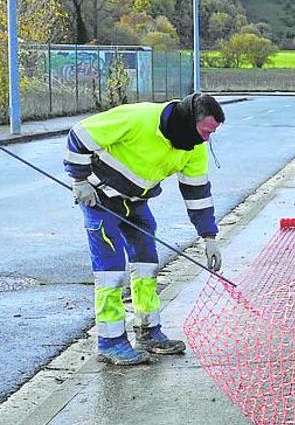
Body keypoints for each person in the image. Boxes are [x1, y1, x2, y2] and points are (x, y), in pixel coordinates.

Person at [63, 93, 225, 366]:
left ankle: (148, 331)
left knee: (147, 264)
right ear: (189, 121)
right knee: (111, 271)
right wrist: (79, 180)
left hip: (135, 203)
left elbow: (197, 192)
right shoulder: (138, 118)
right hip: (100, 199)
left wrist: (209, 236)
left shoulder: (193, 147)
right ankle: (111, 341)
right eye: (206, 131)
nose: (207, 139)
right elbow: (79, 136)